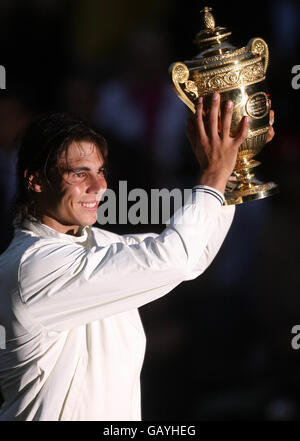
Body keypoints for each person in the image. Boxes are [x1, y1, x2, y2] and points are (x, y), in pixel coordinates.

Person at [0, 93, 274, 421]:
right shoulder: (30, 267)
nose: (99, 185)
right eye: (79, 173)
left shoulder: (95, 243)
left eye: (100, 170)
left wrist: (231, 168)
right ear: (35, 180)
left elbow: (191, 255)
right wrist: (214, 174)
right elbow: (175, 258)